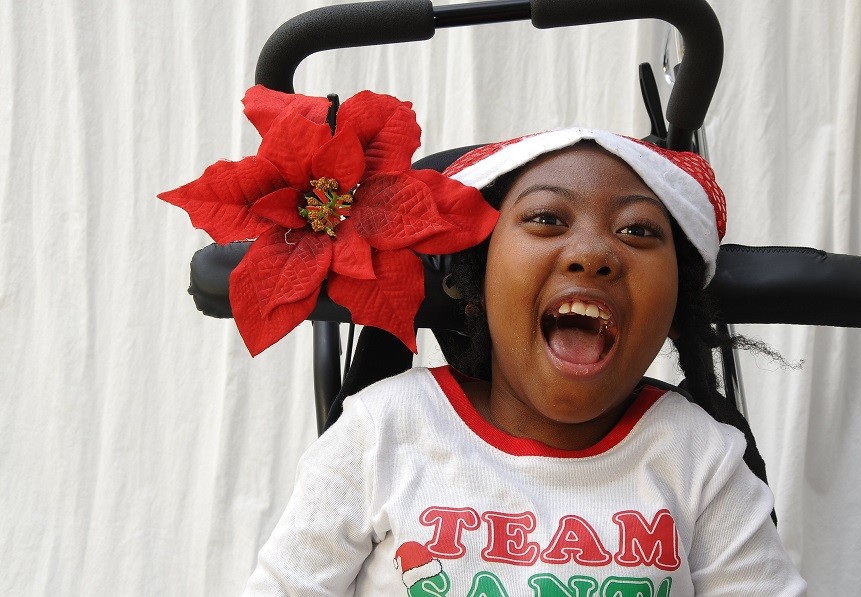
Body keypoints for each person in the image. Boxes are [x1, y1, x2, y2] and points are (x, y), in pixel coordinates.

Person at [242, 128, 807, 596]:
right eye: (546, 219)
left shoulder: (698, 457)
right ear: (476, 281)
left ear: (677, 308)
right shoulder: (383, 430)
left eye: (637, 230)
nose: (592, 254)